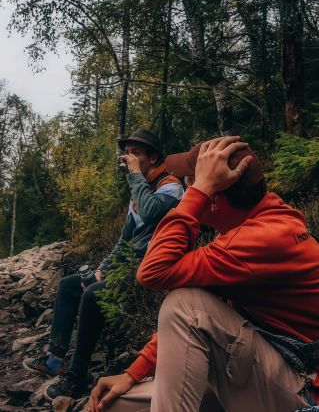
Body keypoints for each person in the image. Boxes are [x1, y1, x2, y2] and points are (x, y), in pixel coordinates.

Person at [88, 136, 319, 412]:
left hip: (303, 391)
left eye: (192, 182)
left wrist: (200, 192)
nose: (188, 191)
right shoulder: (257, 224)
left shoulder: (263, 237)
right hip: (275, 371)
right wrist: (132, 373)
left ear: (214, 198)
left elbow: (153, 271)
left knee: (184, 303)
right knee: (114, 406)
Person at [23, 128, 184, 401]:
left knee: (94, 295)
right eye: (128, 153)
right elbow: (124, 241)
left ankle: (77, 377)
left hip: (153, 271)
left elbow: (152, 211)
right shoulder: (138, 191)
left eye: (136, 154)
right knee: (70, 285)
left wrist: (134, 176)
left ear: (154, 158)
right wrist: (103, 269)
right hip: (128, 267)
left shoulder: (171, 186)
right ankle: (55, 359)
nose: (129, 158)